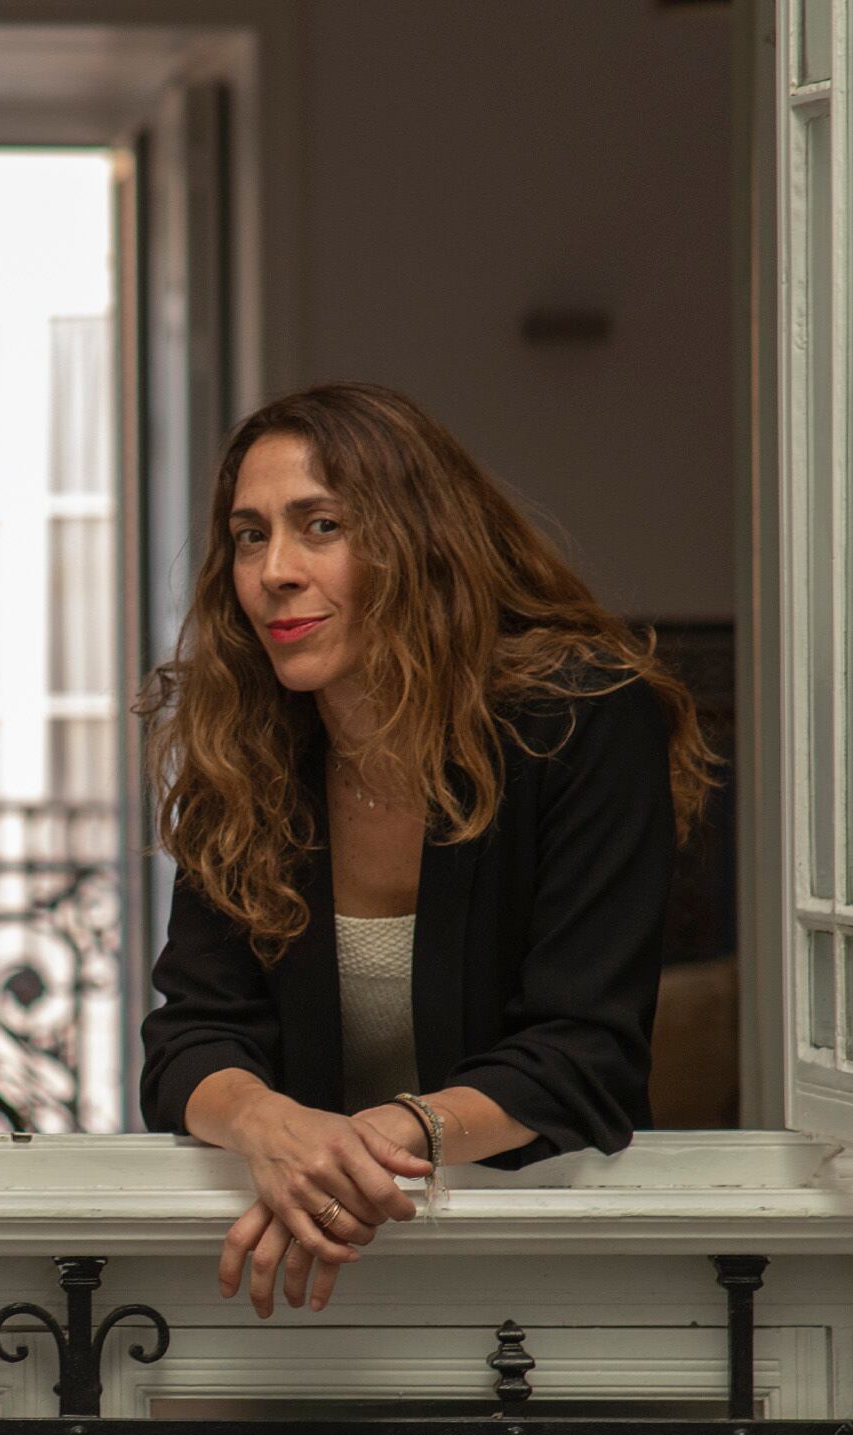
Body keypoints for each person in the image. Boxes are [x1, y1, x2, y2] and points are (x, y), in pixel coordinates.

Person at [138, 382, 719, 1316]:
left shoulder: (582, 719)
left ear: (419, 543)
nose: (274, 570)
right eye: (251, 535)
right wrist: (271, 1128)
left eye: (319, 525)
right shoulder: (242, 749)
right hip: (312, 1284)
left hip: (556, 1267)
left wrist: (360, 1146)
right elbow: (187, 1044)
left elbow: (581, 1055)